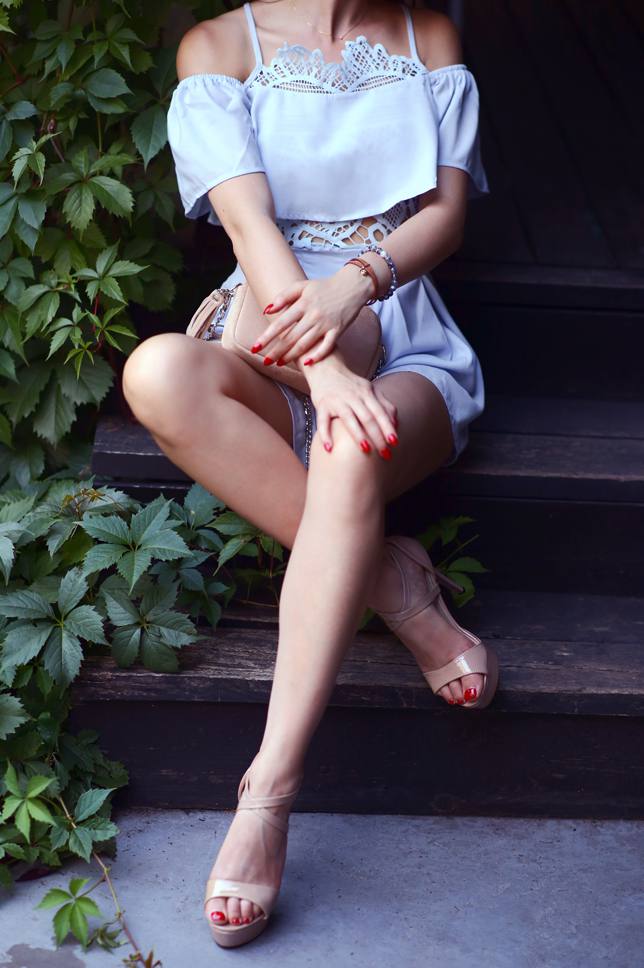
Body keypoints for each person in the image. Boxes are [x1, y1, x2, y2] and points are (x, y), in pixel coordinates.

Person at [122, 0, 499, 949]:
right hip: (268, 326)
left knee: (352, 446)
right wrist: (325, 370)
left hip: (401, 331)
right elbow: (247, 225)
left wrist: (357, 285)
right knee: (155, 370)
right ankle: (394, 583)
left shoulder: (427, 36)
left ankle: (268, 790)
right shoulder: (217, 46)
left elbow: (447, 215)